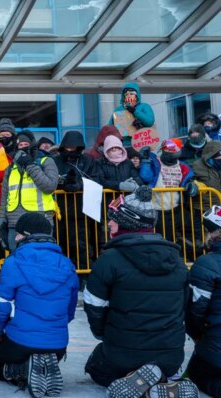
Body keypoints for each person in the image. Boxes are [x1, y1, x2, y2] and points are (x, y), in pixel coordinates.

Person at [83, 186, 197, 398]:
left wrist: (102, 333)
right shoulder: (178, 262)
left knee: (95, 367)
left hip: (123, 353)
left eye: (113, 219)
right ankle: (161, 383)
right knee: (156, 364)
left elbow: (93, 306)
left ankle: (143, 384)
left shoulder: (109, 259)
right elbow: (184, 305)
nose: (109, 223)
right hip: (171, 356)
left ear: (127, 223)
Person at [0, 212, 79, 398]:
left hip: (20, 342)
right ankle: (42, 366)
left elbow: (2, 305)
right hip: (58, 345)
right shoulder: (67, 265)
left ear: (26, 235)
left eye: (18, 233)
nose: (15, 237)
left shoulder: (13, 262)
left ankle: (22, 368)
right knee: (45, 349)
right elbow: (70, 309)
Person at [0, 131, 59, 251]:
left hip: (39, 221)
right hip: (14, 223)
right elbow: (4, 198)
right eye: (20, 146)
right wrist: (1, 225)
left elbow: (49, 186)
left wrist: (29, 165)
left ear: (32, 144)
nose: (23, 148)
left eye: (26, 144)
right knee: (17, 261)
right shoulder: (11, 168)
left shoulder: (46, 161)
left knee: (41, 259)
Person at [185, 206, 221, 398]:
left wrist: (198, 336)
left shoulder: (206, 263)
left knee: (196, 374)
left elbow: (194, 312)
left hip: (214, 353)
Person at [52, 130, 98, 269]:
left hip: (81, 211)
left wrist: (79, 185)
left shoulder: (88, 161)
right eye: (67, 147)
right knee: (59, 245)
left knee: (81, 245)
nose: (70, 150)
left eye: (73, 147)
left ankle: (83, 274)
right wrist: (62, 184)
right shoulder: (55, 161)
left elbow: (96, 179)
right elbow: (49, 179)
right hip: (59, 211)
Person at [139, 138, 198, 243]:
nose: (170, 152)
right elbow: (145, 177)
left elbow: (189, 180)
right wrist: (145, 161)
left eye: (173, 150)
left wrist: (191, 185)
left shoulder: (183, 167)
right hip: (157, 209)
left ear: (179, 151)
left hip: (176, 208)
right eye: (167, 149)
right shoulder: (154, 162)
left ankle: (188, 254)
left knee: (193, 230)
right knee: (164, 238)